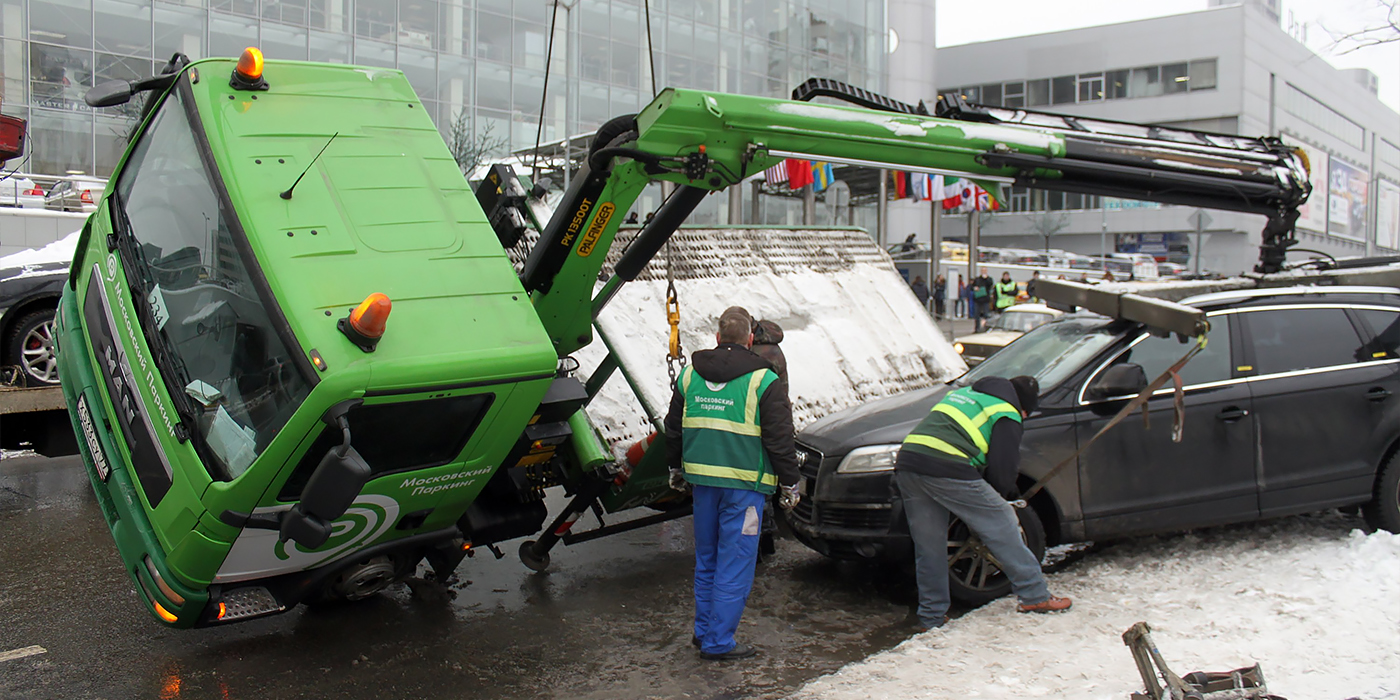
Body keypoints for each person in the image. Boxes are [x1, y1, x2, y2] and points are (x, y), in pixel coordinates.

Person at [665, 306, 801, 661]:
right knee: (735, 563)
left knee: (707, 559)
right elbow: (779, 438)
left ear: (717, 337)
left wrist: (674, 468)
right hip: (744, 487)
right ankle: (718, 642)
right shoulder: (764, 380)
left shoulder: (690, 376)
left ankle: (703, 630)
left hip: (703, 484)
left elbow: (673, 428)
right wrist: (790, 483)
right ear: (751, 340)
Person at [895, 375, 1072, 631]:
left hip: (909, 463)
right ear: (1023, 406)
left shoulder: (967, 395)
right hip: (946, 465)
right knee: (1003, 522)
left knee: (929, 546)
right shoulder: (1007, 412)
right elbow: (1002, 472)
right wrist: (1003, 496)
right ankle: (1035, 596)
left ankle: (931, 617)